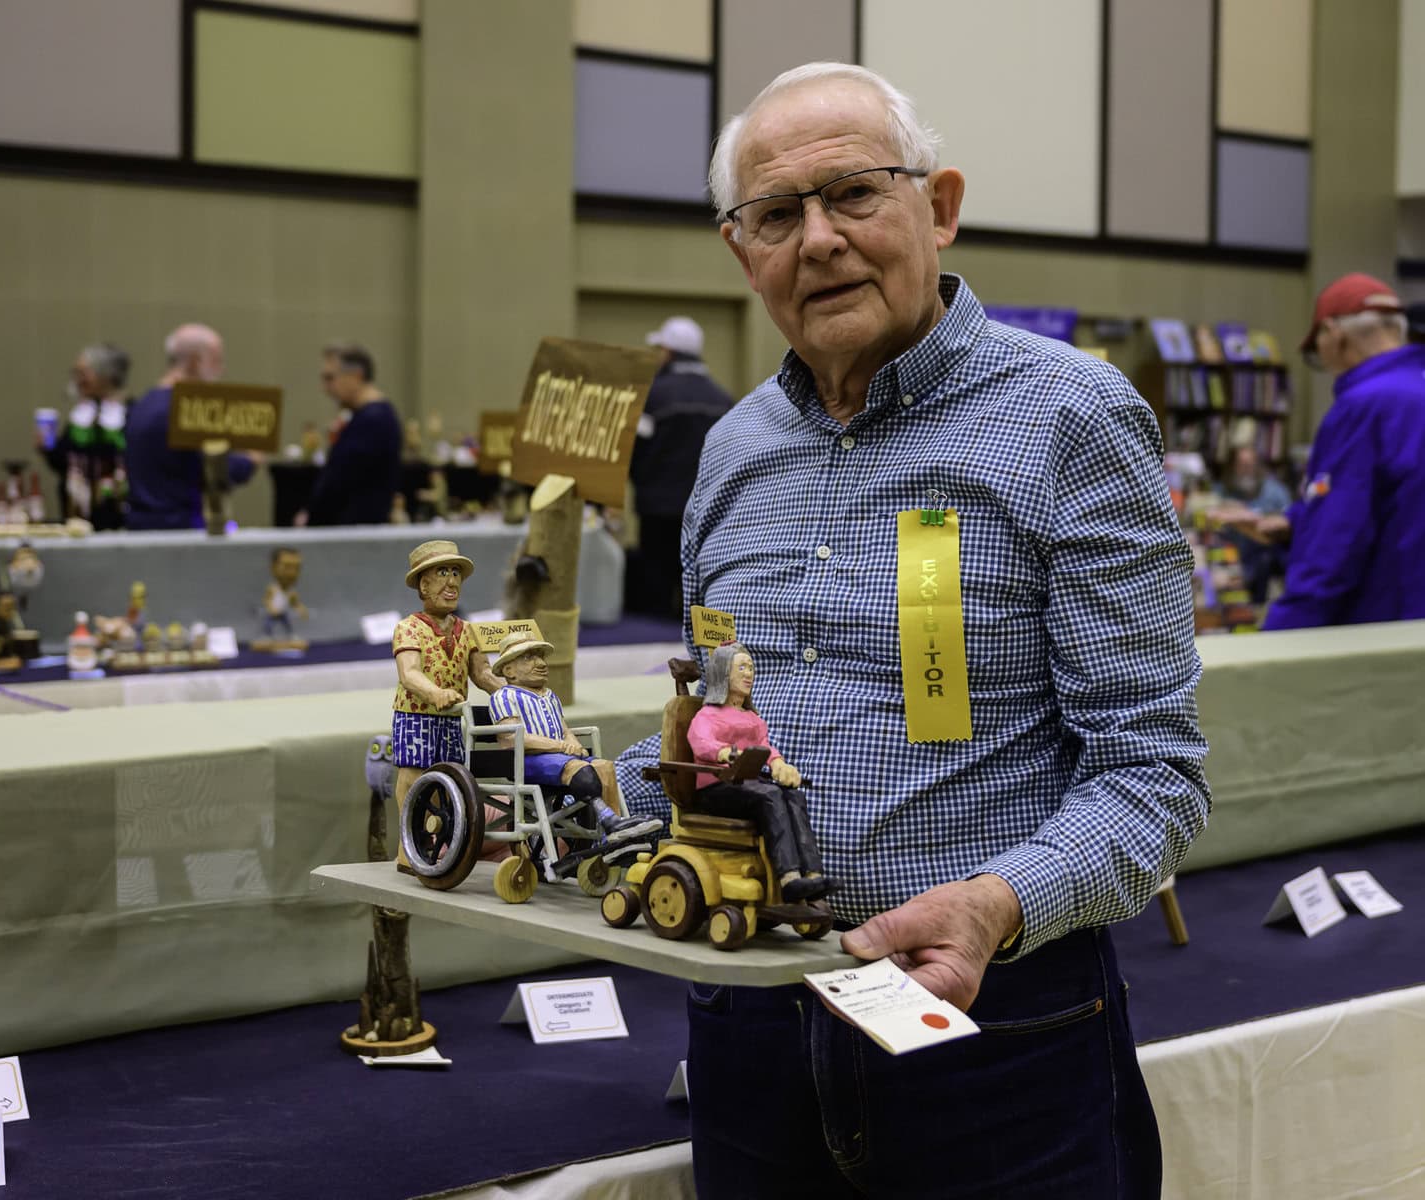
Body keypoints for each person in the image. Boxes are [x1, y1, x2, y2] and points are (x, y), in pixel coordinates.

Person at [623, 62, 1210, 1197]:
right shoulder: (732, 453)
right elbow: (713, 730)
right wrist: (573, 787)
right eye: (777, 216)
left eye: (853, 194)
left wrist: (996, 905)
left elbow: (1152, 778)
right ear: (744, 254)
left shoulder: (1070, 420)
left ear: (937, 207)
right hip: (750, 1021)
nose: (820, 240)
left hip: (997, 1031)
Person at [1214, 274, 1425, 629]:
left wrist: (1279, 637)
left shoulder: (1366, 405)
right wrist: (1294, 523)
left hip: (1381, 625)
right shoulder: (1412, 389)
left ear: (1333, 334)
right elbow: (1396, 503)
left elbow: (1335, 546)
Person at [685, 641, 835, 902]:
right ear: (723, 673)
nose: (749, 674)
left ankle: (811, 874)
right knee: (770, 795)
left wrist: (778, 764)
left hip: (747, 788)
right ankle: (788, 878)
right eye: (741, 667)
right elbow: (700, 740)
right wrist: (724, 753)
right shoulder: (708, 715)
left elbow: (765, 748)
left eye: (751, 668)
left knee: (793, 795)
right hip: (715, 789)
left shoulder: (753, 719)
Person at [487, 629, 661, 844]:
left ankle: (616, 825)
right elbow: (511, 739)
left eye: (540, 656)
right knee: (578, 769)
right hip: (525, 760)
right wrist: (560, 746)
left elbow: (564, 728)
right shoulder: (504, 696)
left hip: (556, 757)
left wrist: (571, 742)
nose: (540, 663)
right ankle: (607, 819)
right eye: (528, 658)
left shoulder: (549, 696)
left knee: (605, 766)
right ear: (509, 670)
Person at [391, 540, 502, 869]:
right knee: (414, 778)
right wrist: (436, 693)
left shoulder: (467, 631)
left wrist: (512, 691)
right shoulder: (408, 628)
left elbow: (482, 674)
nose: (452, 582)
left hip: (453, 720)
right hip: (416, 716)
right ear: (424, 584)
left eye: (456, 573)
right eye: (443, 573)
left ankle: (438, 848)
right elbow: (409, 674)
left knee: (449, 782)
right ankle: (408, 849)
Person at [627, 317, 733, 617]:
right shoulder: (723, 399)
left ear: (669, 352)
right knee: (693, 588)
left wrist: (641, 484)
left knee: (656, 591)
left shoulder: (652, 397)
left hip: (656, 508)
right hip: (703, 511)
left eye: (658, 348)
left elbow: (634, 450)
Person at [124, 324, 259, 530]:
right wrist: (251, 459)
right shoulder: (186, 410)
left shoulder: (143, 404)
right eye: (216, 361)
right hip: (178, 532)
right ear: (196, 363)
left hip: (141, 526)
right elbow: (216, 471)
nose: (221, 370)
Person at [295, 343, 402, 527]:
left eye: (330, 378)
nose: (325, 388)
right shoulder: (370, 417)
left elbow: (338, 484)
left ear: (356, 376)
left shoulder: (373, 421)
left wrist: (311, 518)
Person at [38, 343, 132, 529]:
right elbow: (65, 463)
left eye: (84, 373)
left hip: (118, 516)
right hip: (76, 516)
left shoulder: (129, 414)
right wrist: (47, 447)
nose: (78, 380)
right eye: (76, 373)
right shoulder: (80, 415)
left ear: (107, 374)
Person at [1216, 445, 1292, 602]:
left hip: (1265, 562)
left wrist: (1260, 519)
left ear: (1258, 467)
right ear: (1233, 467)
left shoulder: (1276, 492)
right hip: (1231, 561)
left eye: (1250, 465)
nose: (1246, 470)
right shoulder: (1223, 491)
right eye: (1241, 465)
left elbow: (1289, 525)